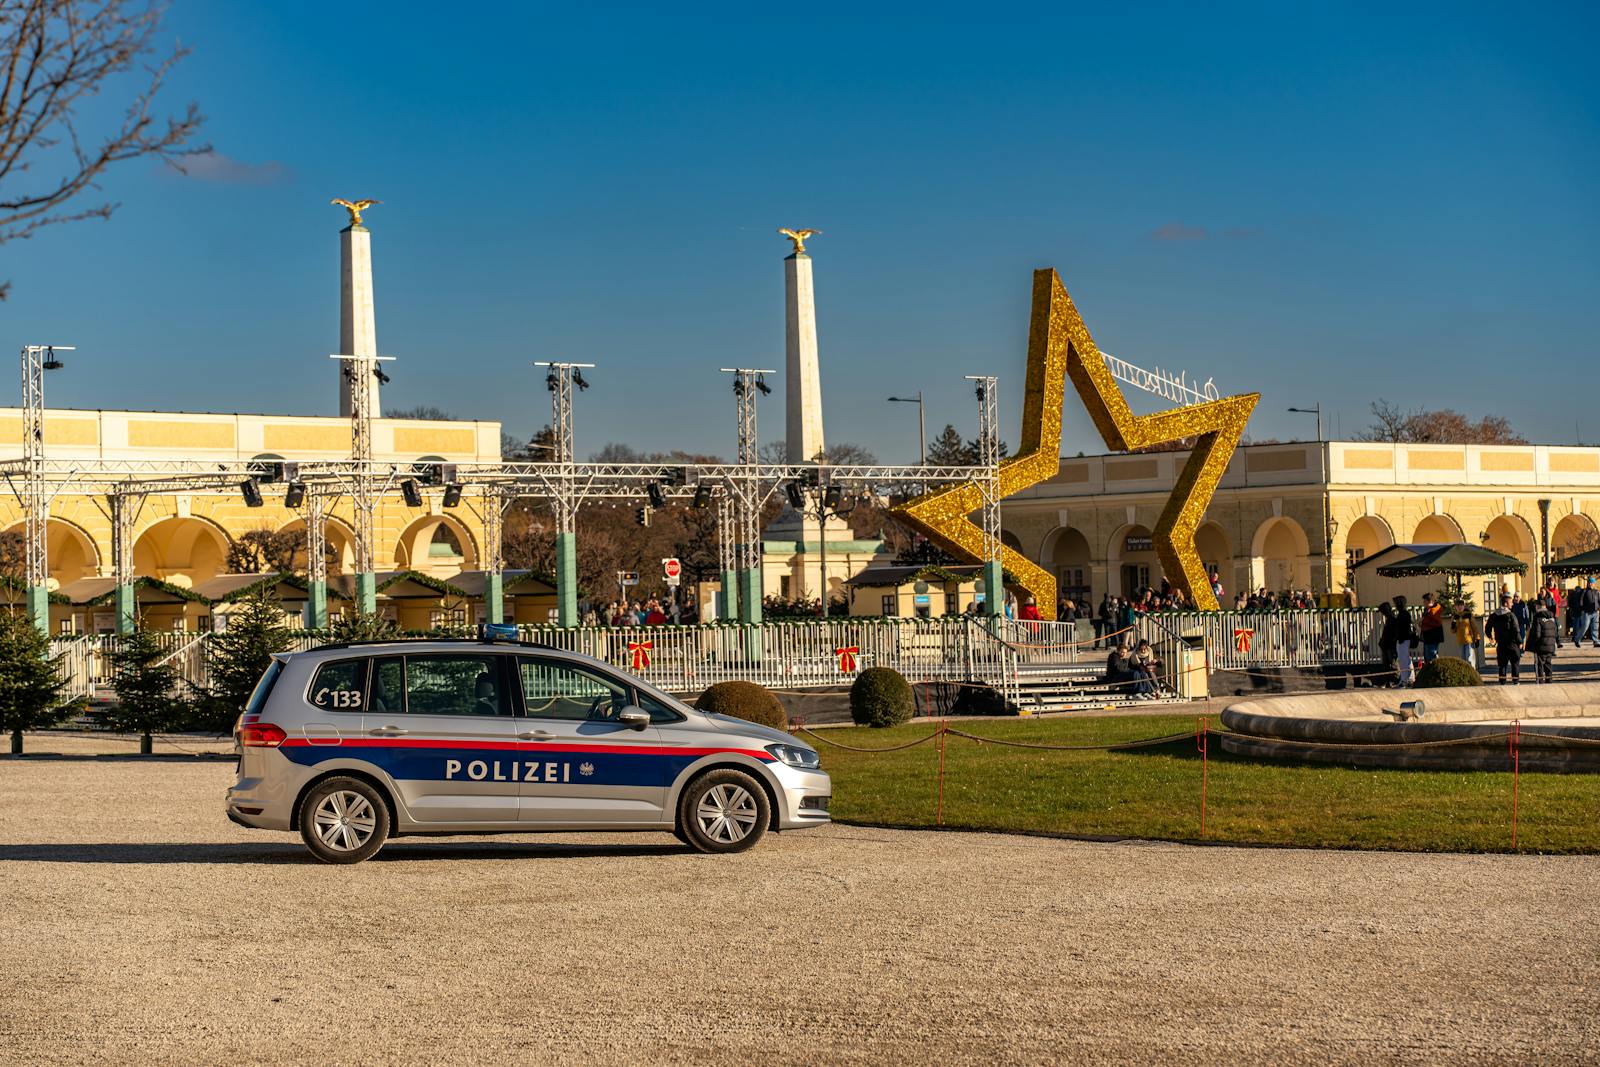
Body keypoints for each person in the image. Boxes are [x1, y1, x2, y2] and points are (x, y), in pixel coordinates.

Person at [1486, 594, 1522, 685]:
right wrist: (1520, 642)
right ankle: (1516, 681)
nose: (1512, 604)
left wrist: (1490, 636)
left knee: (1502, 665)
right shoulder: (1511, 615)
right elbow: (1516, 630)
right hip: (1512, 644)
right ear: (1506, 604)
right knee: (1515, 663)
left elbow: (1487, 627)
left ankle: (1502, 682)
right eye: (1510, 603)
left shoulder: (1494, 615)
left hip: (1501, 644)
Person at [1525, 599, 1559, 684]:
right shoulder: (1552, 616)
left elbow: (1537, 634)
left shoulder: (1538, 617)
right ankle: (1549, 680)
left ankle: (1540, 681)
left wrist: (1534, 644)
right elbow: (1555, 631)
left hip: (1540, 646)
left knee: (1539, 665)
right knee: (1548, 664)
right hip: (1550, 645)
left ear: (1538, 607)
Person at [1391, 595, 1417, 687]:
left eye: (1396, 603)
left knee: (1404, 660)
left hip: (1403, 639)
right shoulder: (1403, 613)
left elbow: (1404, 628)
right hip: (1403, 639)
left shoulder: (1403, 614)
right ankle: (1408, 678)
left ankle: (1405, 679)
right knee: (1405, 659)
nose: (1395, 605)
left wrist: (1400, 638)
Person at [1418, 592, 1445, 664]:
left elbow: (1438, 623)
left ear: (1430, 601)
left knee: (1432, 656)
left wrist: (1424, 622)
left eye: (1425, 601)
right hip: (1428, 637)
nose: (1423, 603)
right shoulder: (1427, 610)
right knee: (1427, 657)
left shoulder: (1434, 611)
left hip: (1433, 636)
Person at [1450, 604, 1479, 668]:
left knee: (1469, 659)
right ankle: (1465, 675)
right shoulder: (1455, 616)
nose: (1459, 607)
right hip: (1460, 641)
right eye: (1458, 605)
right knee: (1462, 660)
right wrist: (1453, 625)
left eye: (1461, 605)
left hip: (1469, 640)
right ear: (1455, 607)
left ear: (1463, 606)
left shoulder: (1468, 615)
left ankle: (1472, 674)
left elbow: (1475, 627)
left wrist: (1477, 638)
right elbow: (1453, 631)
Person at [1576, 580, 1600, 649]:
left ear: (1594, 584)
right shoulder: (1584, 591)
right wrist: (1582, 609)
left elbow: (1599, 600)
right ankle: (1577, 639)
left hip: (1595, 612)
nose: (1590, 584)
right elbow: (1580, 601)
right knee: (1584, 627)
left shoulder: (1596, 591)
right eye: (1589, 582)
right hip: (1586, 613)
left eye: (1591, 583)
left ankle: (1595, 641)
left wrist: (1598, 609)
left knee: (1595, 627)